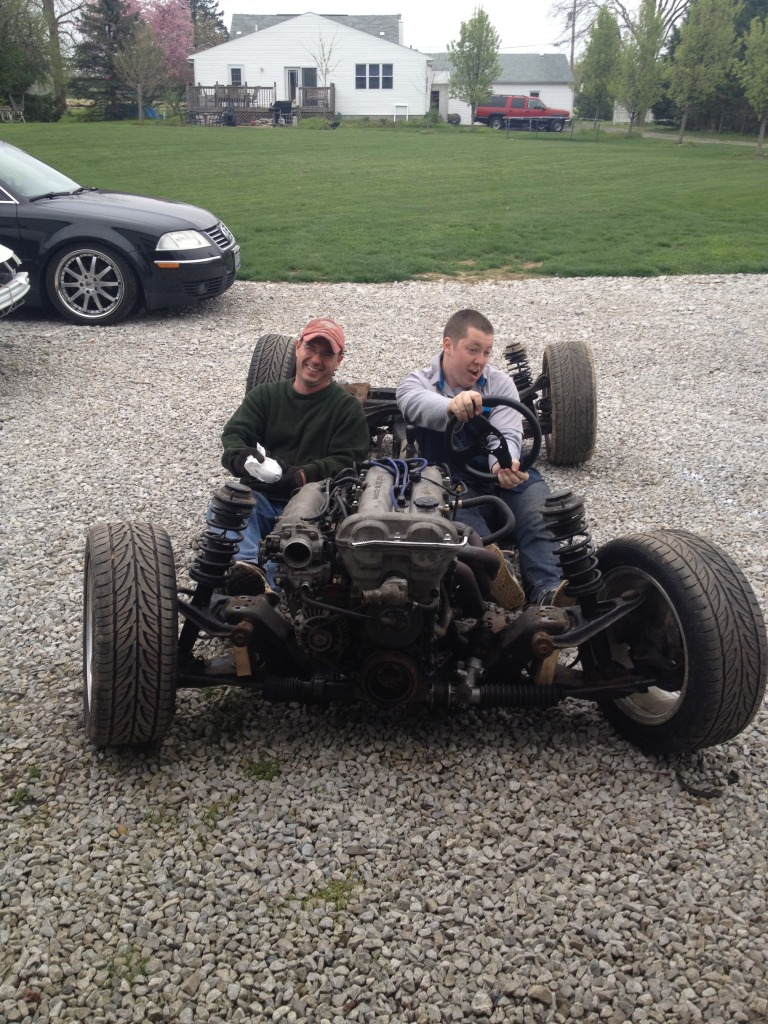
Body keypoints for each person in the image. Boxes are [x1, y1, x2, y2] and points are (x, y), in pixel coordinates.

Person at [396, 308, 563, 605]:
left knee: (539, 516)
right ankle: (502, 581)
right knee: (470, 534)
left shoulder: (500, 384)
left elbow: (508, 431)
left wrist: (504, 464)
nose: (481, 360)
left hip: (507, 477)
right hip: (453, 483)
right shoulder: (417, 383)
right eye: (473, 350)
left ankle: (548, 592)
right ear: (448, 345)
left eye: (486, 352)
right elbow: (413, 403)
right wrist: (451, 406)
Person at [219, 317, 370, 594]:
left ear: (339, 360)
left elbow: (350, 461)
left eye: (327, 354)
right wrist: (242, 457)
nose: (316, 360)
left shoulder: (346, 408)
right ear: (297, 347)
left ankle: (272, 589)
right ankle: (246, 571)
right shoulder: (265, 396)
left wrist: (301, 476)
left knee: (298, 548)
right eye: (311, 348)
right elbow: (234, 435)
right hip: (261, 498)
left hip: (314, 507)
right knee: (229, 505)